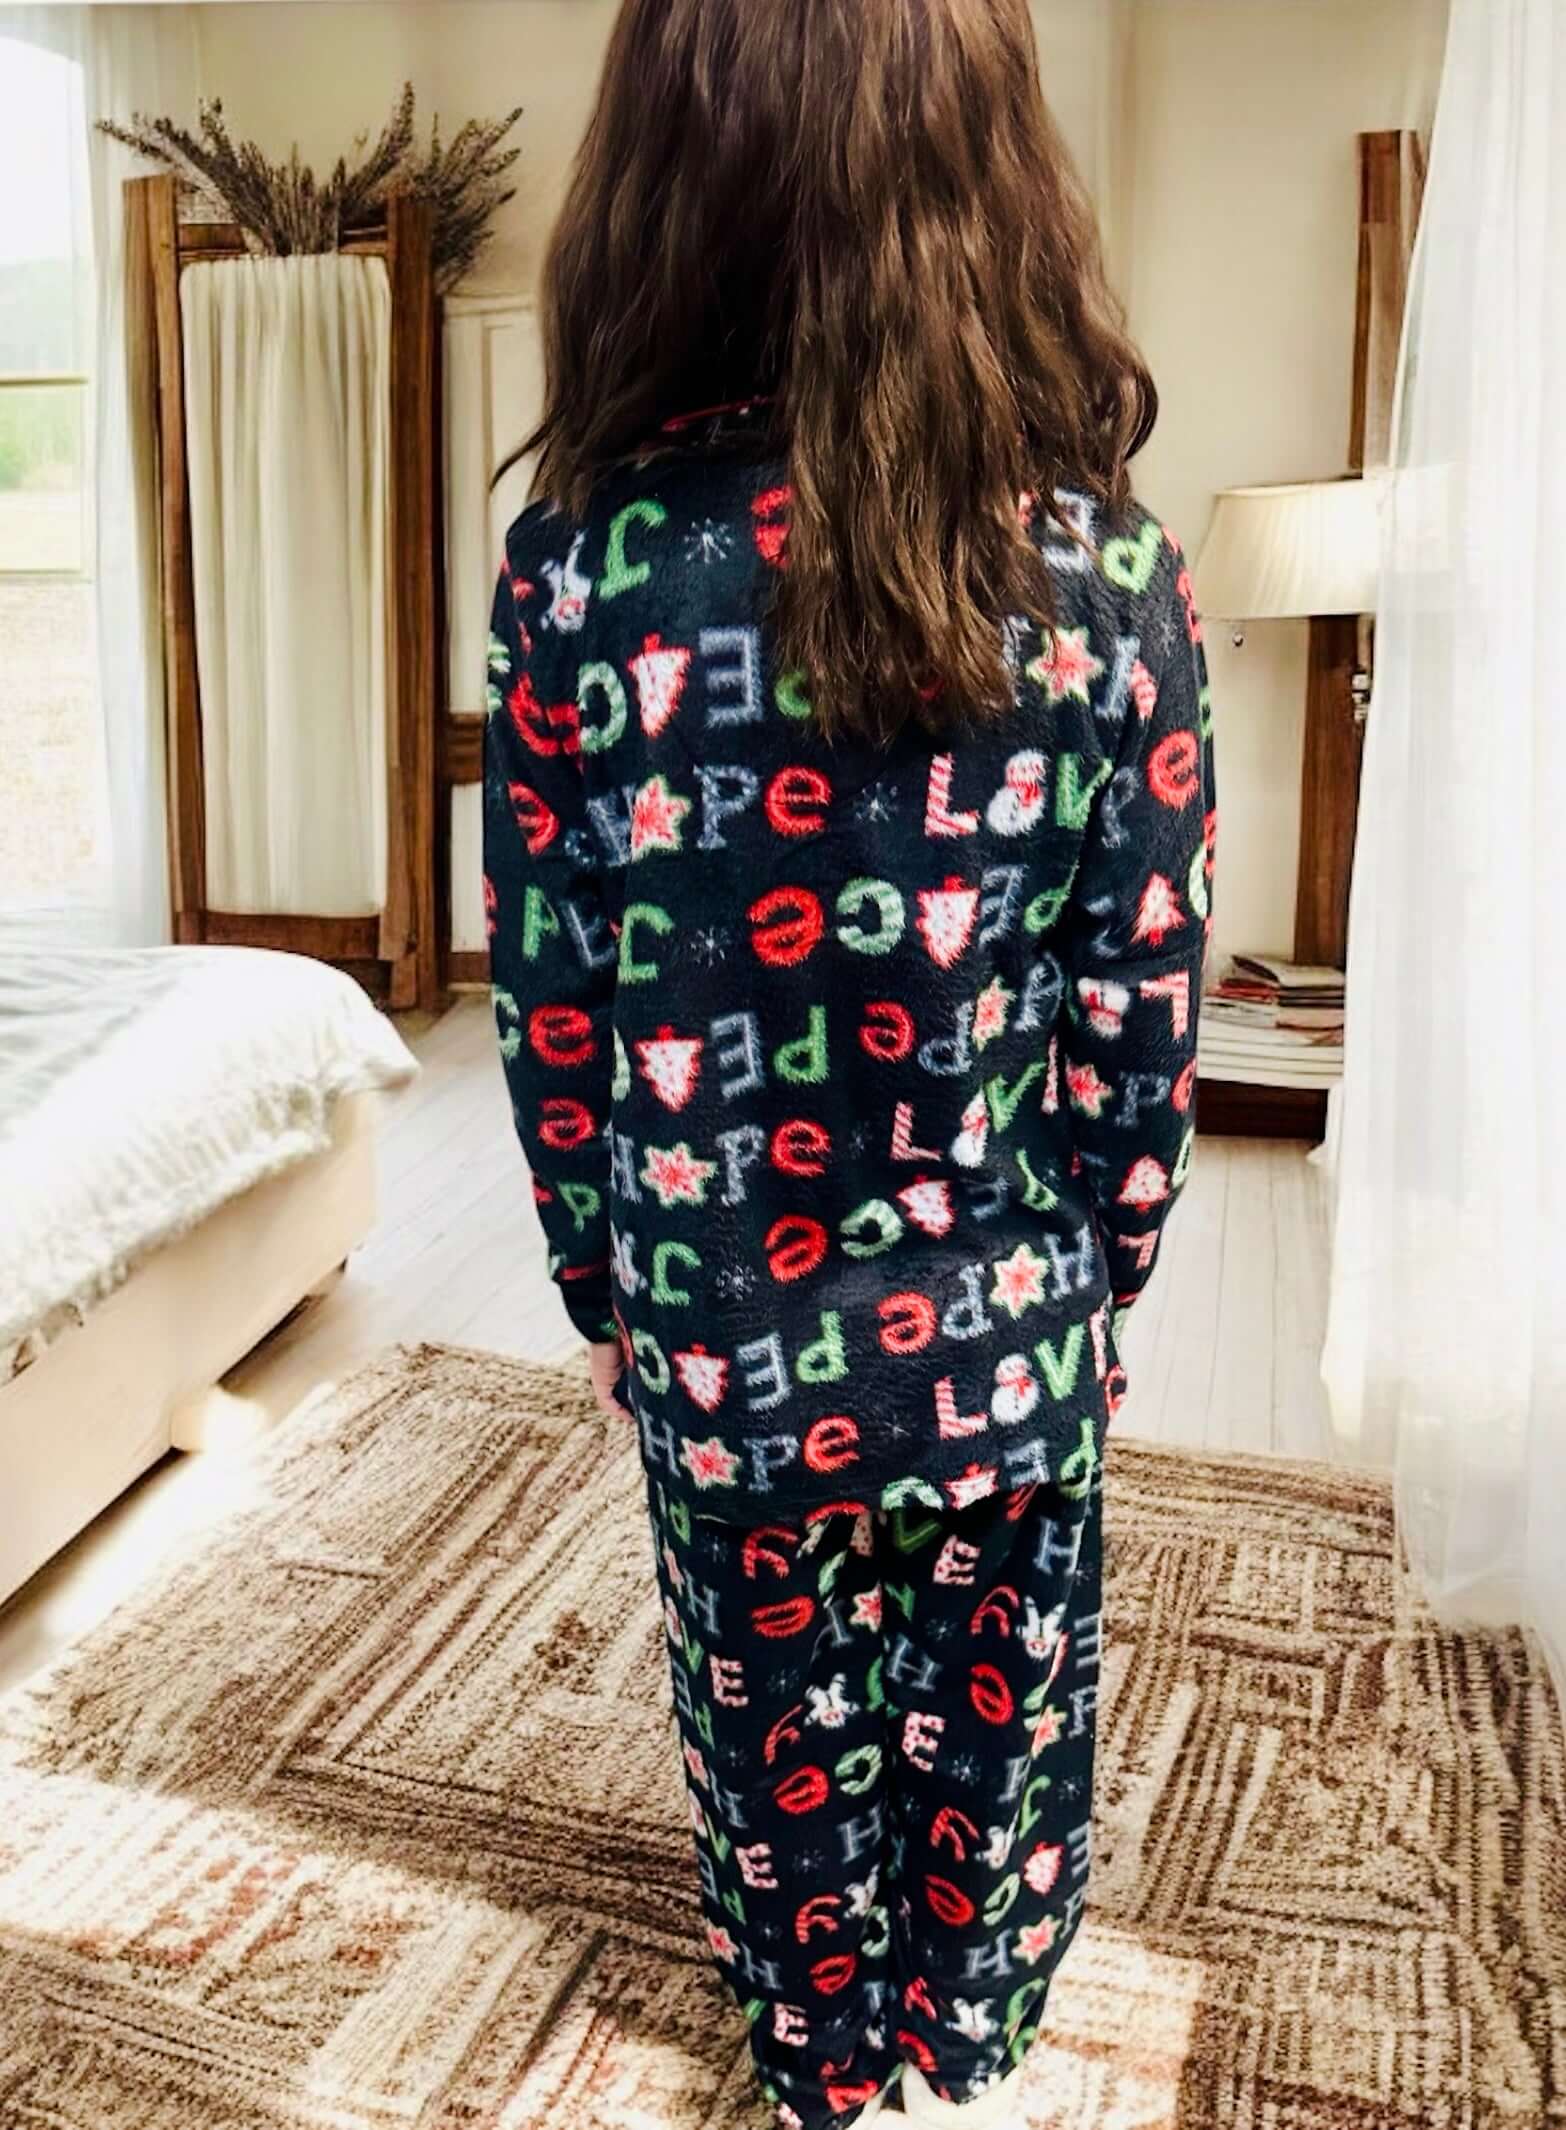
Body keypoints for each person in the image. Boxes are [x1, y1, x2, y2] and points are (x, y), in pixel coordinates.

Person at [483, 2, 1215, 2122]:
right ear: (995, 175)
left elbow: (557, 1005)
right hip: (1004, 1319)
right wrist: (1094, 1284)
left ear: (664, 179)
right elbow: (1134, 1016)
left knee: (774, 1730)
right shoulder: (1110, 580)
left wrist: (610, 1294)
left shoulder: (587, 576)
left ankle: (816, 2050)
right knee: (997, 1728)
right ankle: (965, 2033)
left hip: (725, 1337)